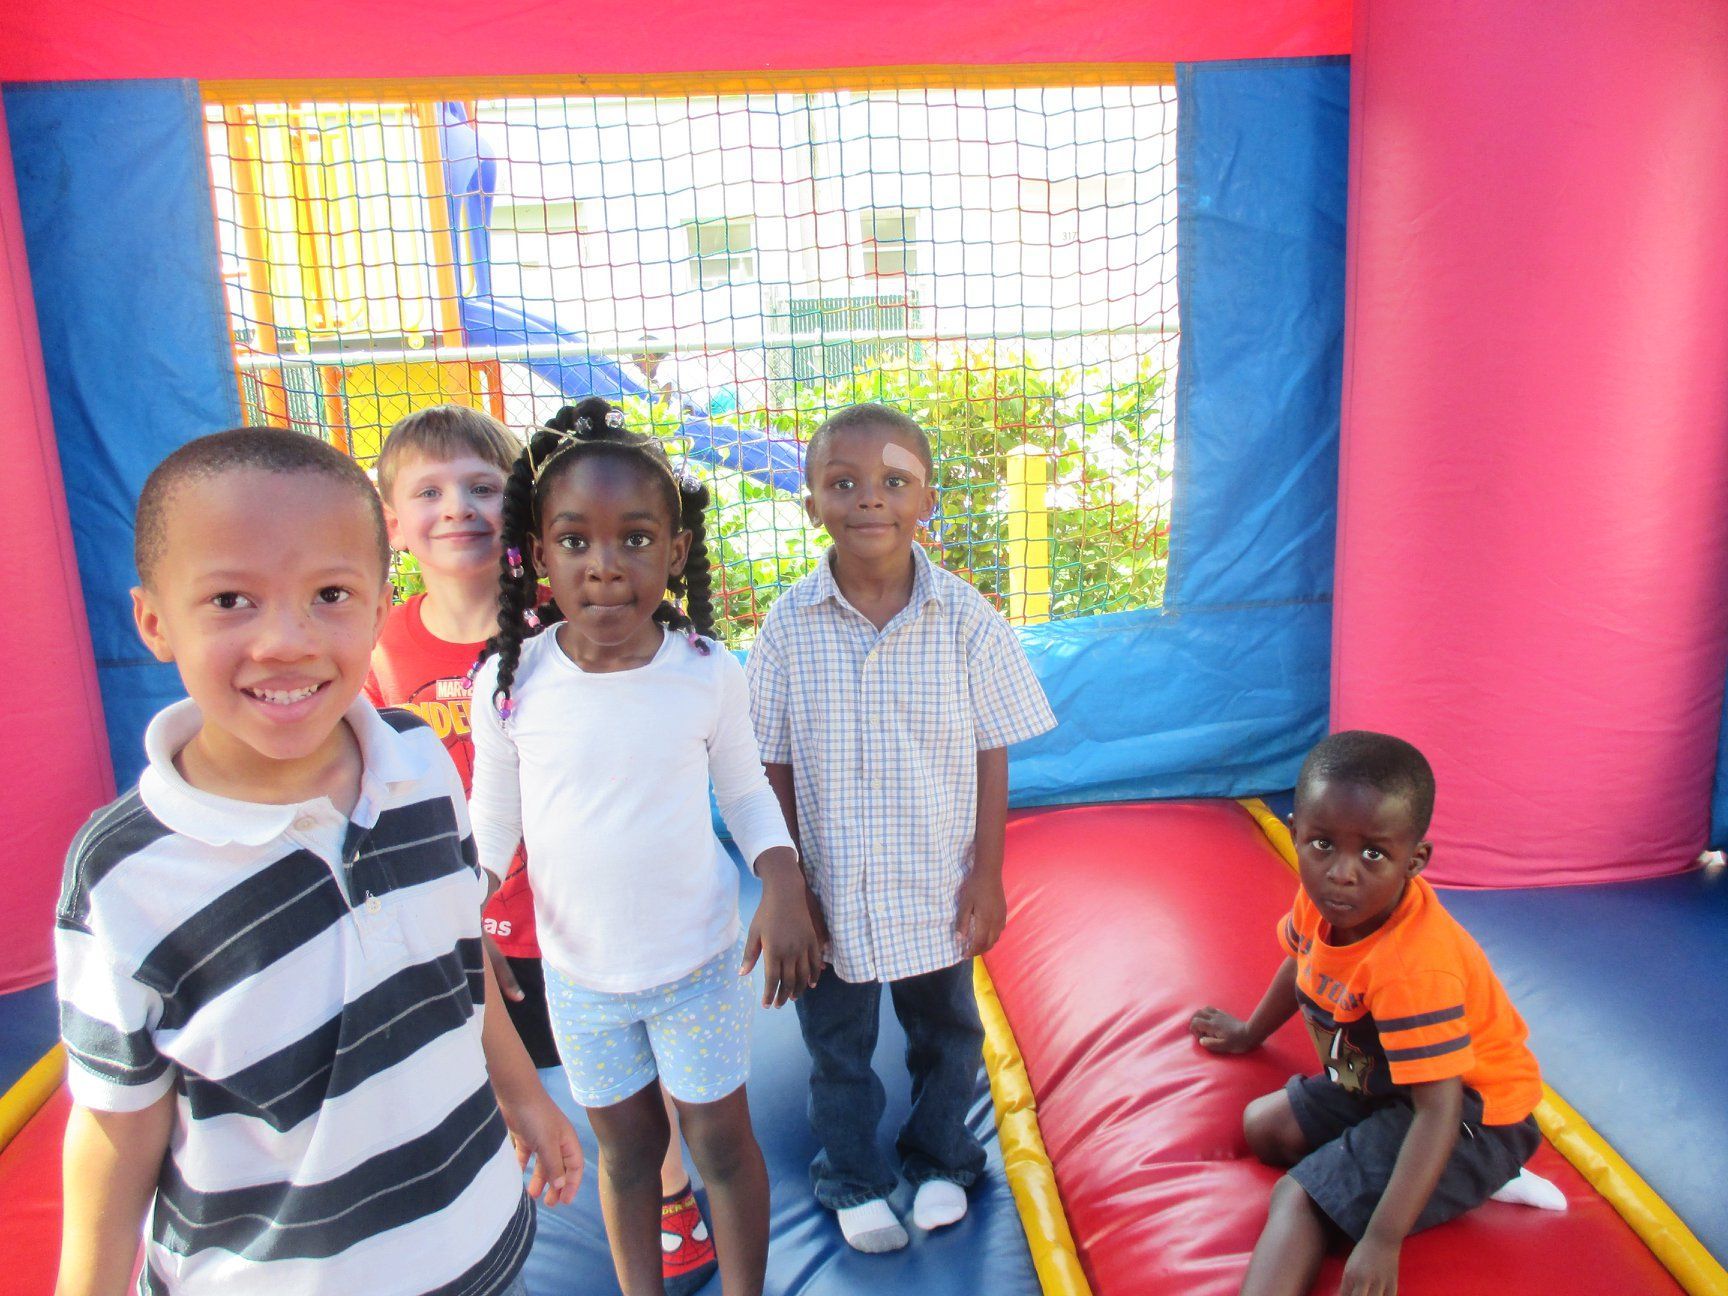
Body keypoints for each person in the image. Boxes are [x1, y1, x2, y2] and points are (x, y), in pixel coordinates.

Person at [54, 428, 581, 1296]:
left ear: (378, 609)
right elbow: (114, 1142)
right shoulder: (127, 879)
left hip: (477, 1249)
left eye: (330, 594)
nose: (287, 641)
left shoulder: (416, 766)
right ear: (154, 620)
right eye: (231, 601)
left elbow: (455, 961)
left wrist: (521, 1092)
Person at [468, 398, 823, 1296]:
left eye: (634, 540)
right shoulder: (512, 684)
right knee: (629, 1156)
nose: (606, 569)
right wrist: (459, 914)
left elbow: (745, 793)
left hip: (694, 967)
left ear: (674, 551)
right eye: (576, 542)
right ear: (539, 555)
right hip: (582, 983)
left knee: (719, 1143)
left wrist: (783, 882)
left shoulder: (706, 672)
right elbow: (494, 821)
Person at [365, 405, 718, 1290]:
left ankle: (671, 1190)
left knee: (628, 1070)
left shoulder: (558, 628)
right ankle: (497, 1195)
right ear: (394, 524)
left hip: (574, 906)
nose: (460, 508)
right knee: (486, 1060)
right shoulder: (381, 643)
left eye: (482, 488)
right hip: (464, 909)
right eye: (431, 492)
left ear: (519, 514)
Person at [746, 403, 1057, 1253]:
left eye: (893, 482)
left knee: (947, 1032)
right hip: (833, 893)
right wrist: (790, 886)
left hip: (933, 883)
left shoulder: (965, 620)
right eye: (842, 484)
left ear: (926, 500)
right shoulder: (786, 627)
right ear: (810, 501)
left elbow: (995, 751)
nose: (868, 500)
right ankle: (851, 1177)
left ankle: (943, 1161)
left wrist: (986, 873)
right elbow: (767, 761)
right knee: (838, 1049)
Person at [1189, 731, 1545, 1296]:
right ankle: (1413, 1171)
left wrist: (1381, 1238)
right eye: (1323, 844)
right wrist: (1249, 1032)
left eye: (1373, 853)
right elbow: (1303, 961)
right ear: (1295, 835)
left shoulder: (1414, 967)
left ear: (1415, 860)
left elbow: (1439, 1109)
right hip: (1384, 1082)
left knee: (1298, 1197)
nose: (1342, 872)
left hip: (1470, 1117)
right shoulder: (1322, 900)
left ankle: (1477, 1172)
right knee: (1265, 1128)